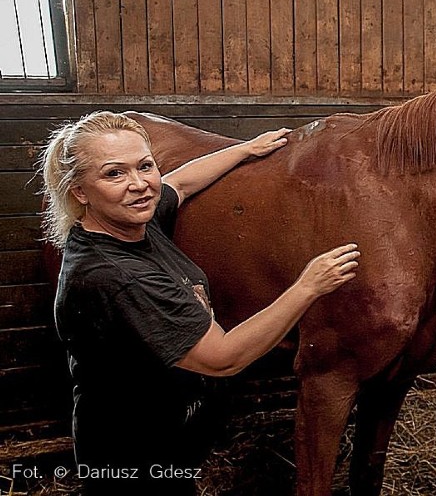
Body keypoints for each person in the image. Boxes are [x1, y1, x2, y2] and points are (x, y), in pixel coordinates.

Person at [39, 111, 359, 495]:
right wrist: (308, 286)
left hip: (168, 437)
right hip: (133, 458)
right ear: (79, 191)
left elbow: (182, 182)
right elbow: (223, 358)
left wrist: (246, 149)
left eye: (145, 166)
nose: (140, 185)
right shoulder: (119, 278)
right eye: (114, 174)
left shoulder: (128, 221)